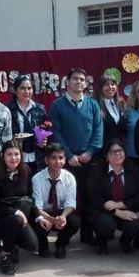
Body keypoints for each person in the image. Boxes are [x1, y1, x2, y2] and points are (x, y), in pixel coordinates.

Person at [49, 67, 103, 245]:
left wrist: (89, 152)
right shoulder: (57, 105)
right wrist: (69, 155)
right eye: (75, 79)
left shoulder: (93, 104)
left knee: (90, 198)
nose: (79, 82)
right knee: (67, 198)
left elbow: (98, 130)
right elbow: (55, 132)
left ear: (86, 83)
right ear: (67, 82)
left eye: (82, 79)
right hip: (66, 160)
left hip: (89, 159)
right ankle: (63, 238)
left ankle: (88, 235)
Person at [0, 141, 38, 275]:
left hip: (19, 218)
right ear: (3, 155)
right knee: (16, 220)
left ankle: (12, 244)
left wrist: (39, 216)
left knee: (32, 245)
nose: (13, 158)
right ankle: (5, 255)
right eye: (9, 154)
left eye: (16, 154)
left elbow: (31, 199)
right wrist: (16, 212)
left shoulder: (26, 170)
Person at [87, 139, 139, 255]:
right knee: (105, 223)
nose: (117, 154)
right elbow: (94, 197)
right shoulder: (97, 171)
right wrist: (116, 211)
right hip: (105, 212)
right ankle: (101, 243)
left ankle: (126, 242)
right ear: (107, 156)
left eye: (120, 150)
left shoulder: (134, 170)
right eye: (113, 152)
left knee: (135, 224)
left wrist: (119, 205)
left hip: (127, 209)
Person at [31, 143, 80, 259]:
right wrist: (51, 219)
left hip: (61, 212)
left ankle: (61, 244)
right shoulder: (37, 179)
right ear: (46, 160)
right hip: (44, 214)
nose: (58, 161)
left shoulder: (69, 178)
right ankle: (43, 244)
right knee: (35, 219)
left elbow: (71, 203)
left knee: (74, 221)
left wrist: (62, 217)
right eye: (54, 158)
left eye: (61, 158)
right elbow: (37, 207)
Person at [6, 74, 48, 174]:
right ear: (15, 90)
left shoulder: (40, 109)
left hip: (37, 157)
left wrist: (44, 140)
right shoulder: (8, 109)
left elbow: (45, 129)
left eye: (29, 88)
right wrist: (14, 139)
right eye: (23, 88)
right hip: (15, 157)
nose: (27, 92)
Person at [94, 73, 127, 158]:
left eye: (113, 84)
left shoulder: (121, 104)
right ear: (101, 88)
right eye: (106, 84)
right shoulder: (95, 105)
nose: (110, 87)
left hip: (120, 151)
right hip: (102, 152)